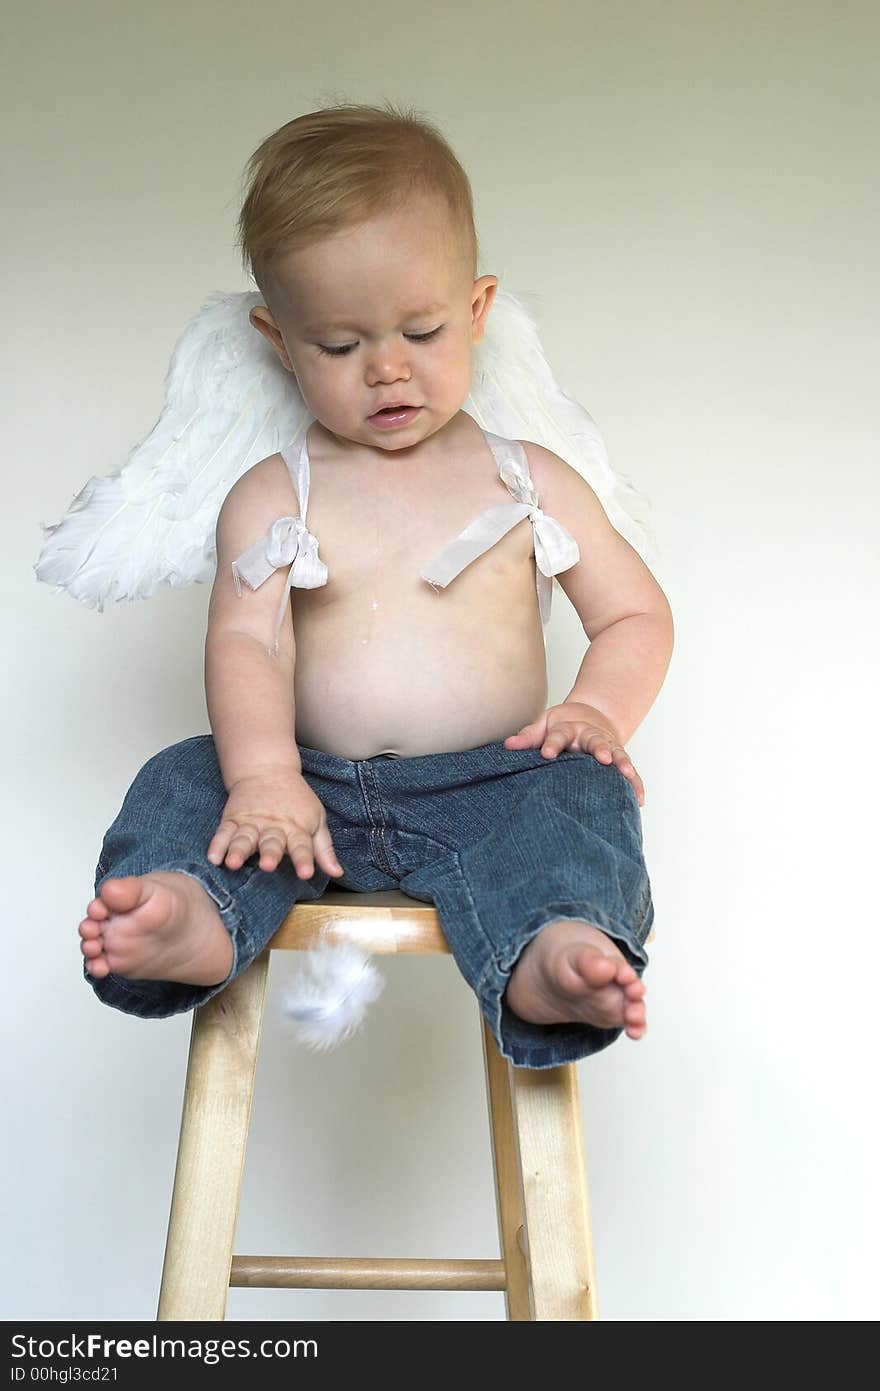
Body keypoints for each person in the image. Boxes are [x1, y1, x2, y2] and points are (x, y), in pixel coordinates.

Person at [76, 101, 674, 1069]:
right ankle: (188, 912)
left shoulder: (527, 478)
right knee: (184, 773)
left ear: (476, 311)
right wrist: (265, 774)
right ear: (280, 341)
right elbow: (246, 641)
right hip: (303, 797)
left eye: (422, 330)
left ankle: (556, 942)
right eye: (341, 346)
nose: (387, 368)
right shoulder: (275, 492)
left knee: (583, 791)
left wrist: (597, 711)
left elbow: (636, 612)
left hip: (491, 786)